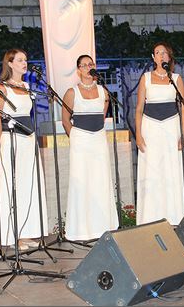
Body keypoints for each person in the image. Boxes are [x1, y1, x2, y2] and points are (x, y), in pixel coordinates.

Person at [0, 49, 48, 251]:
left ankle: (26, 233)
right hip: (11, 138)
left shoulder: (26, 86)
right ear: (10, 64)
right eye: (20, 60)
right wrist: (1, 142)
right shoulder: (2, 88)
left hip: (28, 139)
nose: (24, 63)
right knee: (14, 186)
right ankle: (13, 235)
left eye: (25, 59)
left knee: (29, 184)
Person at [135, 42, 184, 225]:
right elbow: (139, 108)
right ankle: (151, 218)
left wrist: (183, 134)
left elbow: (183, 108)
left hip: (171, 127)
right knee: (152, 171)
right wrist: (138, 135)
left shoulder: (176, 79)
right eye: (157, 53)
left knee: (172, 170)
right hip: (150, 128)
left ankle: (176, 215)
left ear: (169, 56)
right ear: (153, 57)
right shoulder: (145, 78)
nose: (161, 55)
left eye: (164, 53)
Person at [61, 55, 119, 240]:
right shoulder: (72, 92)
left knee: (100, 180)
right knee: (82, 181)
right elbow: (65, 120)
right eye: (84, 65)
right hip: (80, 141)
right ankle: (81, 229)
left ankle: (102, 225)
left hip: (98, 140)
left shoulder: (103, 91)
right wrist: (75, 137)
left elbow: (102, 116)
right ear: (79, 70)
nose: (88, 67)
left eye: (90, 64)